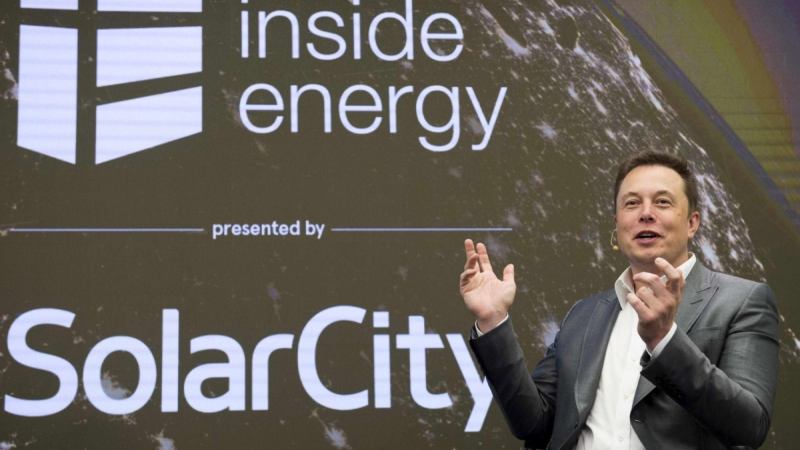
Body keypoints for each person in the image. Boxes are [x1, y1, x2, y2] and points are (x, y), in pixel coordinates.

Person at [460, 151, 779, 449]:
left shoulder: (741, 301)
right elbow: (534, 424)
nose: (646, 214)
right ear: (617, 224)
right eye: (631, 203)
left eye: (663, 202)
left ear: (692, 223)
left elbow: (749, 425)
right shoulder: (584, 315)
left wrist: (665, 340)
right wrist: (493, 322)